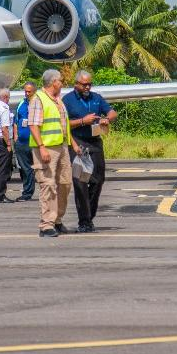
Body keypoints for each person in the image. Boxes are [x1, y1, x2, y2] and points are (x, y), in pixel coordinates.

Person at [28, 69, 82, 238]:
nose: (62, 83)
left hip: (62, 147)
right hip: (46, 148)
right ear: (53, 82)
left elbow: (63, 125)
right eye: (60, 80)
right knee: (48, 185)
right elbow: (33, 125)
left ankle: (57, 220)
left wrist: (72, 144)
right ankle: (46, 225)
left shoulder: (58, 100)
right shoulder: (39, 99)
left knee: (65, 183)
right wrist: (42, 147)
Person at [62, 69, 118, 233]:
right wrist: (82, 121)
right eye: (84, 85)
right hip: (78, 144)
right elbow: (63, 123)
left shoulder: (96, 98)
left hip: (95, 143)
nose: (87, 87)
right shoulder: (68, 100)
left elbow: (112, 112)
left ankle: (89, 216)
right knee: (81, 183)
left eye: (89, 84)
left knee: (97, 181)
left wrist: (107, 119)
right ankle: (84, 221)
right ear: (76, 84)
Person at [13, 81, 37, 201]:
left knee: (41, 169)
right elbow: (16, 121)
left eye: (29, 91)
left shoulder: (39, 103)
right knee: (25, 169)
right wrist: (16, 137)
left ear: (34, 91)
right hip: (22, 142)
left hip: (36, 142)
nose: (27, 93)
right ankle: (27, 193)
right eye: (26, 91)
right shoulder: (21, 103)